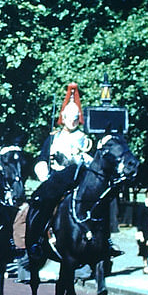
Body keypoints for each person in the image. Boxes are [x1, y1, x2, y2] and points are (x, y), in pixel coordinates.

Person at [24, 83, 92, 262]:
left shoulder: (85, 139)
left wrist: (79, 157)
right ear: (63, 117)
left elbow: (91, 162)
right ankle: (36, 240)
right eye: (69, 117)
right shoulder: (53, 138)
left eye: (76, 118)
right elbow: (42, 159)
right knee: (41, 204)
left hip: (77, 181)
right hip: (55, 180)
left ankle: (101, 244)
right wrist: (44, 173)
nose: (72, 121)